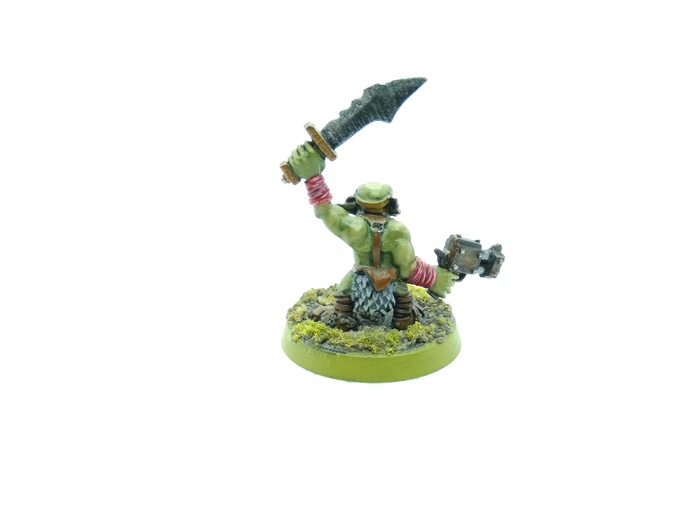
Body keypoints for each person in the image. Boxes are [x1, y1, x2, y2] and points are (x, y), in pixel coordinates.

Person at [287, 142, 458, 330]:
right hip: (391, 281)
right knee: (402, 294)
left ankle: (343, 317)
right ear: (388, 203)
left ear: (358, 202)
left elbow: (324, 210)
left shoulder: (352, 227)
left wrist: (313, 176)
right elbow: (407, 269)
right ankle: (402, 318)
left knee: (343, 291)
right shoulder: (397, 231)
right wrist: (434, 277)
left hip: (358, 277)